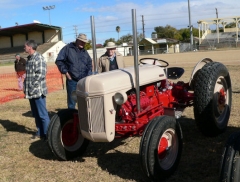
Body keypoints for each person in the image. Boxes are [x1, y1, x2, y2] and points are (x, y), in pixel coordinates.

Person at [55, 33, 92, 109]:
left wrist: (89, 74)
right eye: (81, 41)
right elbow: (59, 61)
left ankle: (82, 118)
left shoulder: (84, 52)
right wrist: (66, 72)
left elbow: (89, 63)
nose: (83, 43)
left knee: (84, 101)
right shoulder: (67, 49)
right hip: (72, 81)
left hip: (83, 81)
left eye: (84, 42)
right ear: (77, 40)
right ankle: (72, 119)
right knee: (72, 102)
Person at [23, 40, 50, 140]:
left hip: (38, 91)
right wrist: (26, 86)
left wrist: (31, 85)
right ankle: (40, 132)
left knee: (42, 114)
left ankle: (48, 135)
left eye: (25, 46)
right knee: (36, 114)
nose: (24, 48)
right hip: (31, 92)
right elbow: (28, 75)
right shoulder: (29, 58)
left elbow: (41, 74)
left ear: (30, 47)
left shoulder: (39, 58)